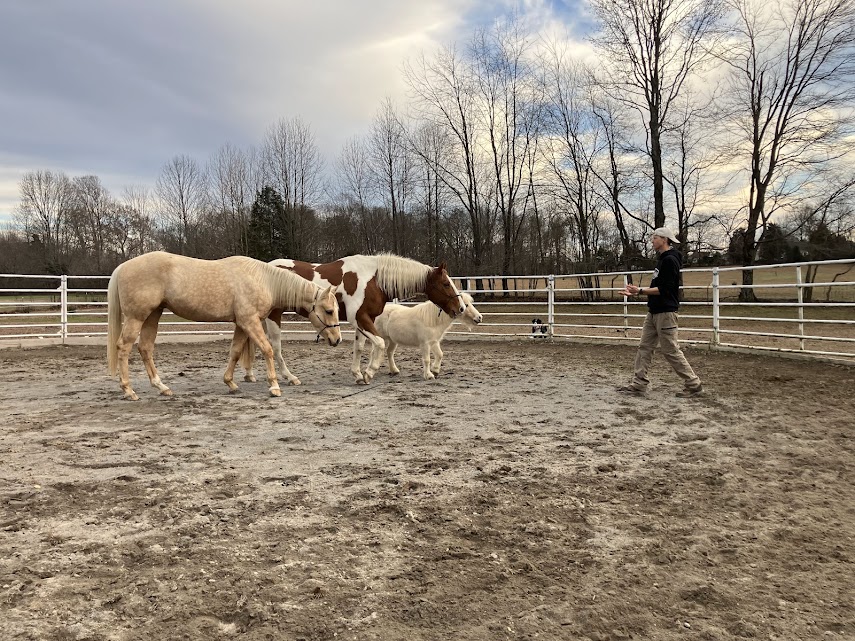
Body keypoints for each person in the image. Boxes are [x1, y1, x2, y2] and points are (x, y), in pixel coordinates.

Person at [618, 227, 703, 398]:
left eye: (655, 237)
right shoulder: (663, 260)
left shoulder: (670, 260)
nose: (652, 240)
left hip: (665, 312)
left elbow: (665, 289)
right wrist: (638, 291)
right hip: (655, 311)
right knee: (645, 347)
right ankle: (639, 384)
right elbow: (659, 287)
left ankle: (693, 384)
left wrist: (639, 291)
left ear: (664, 240)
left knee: (670, 350)